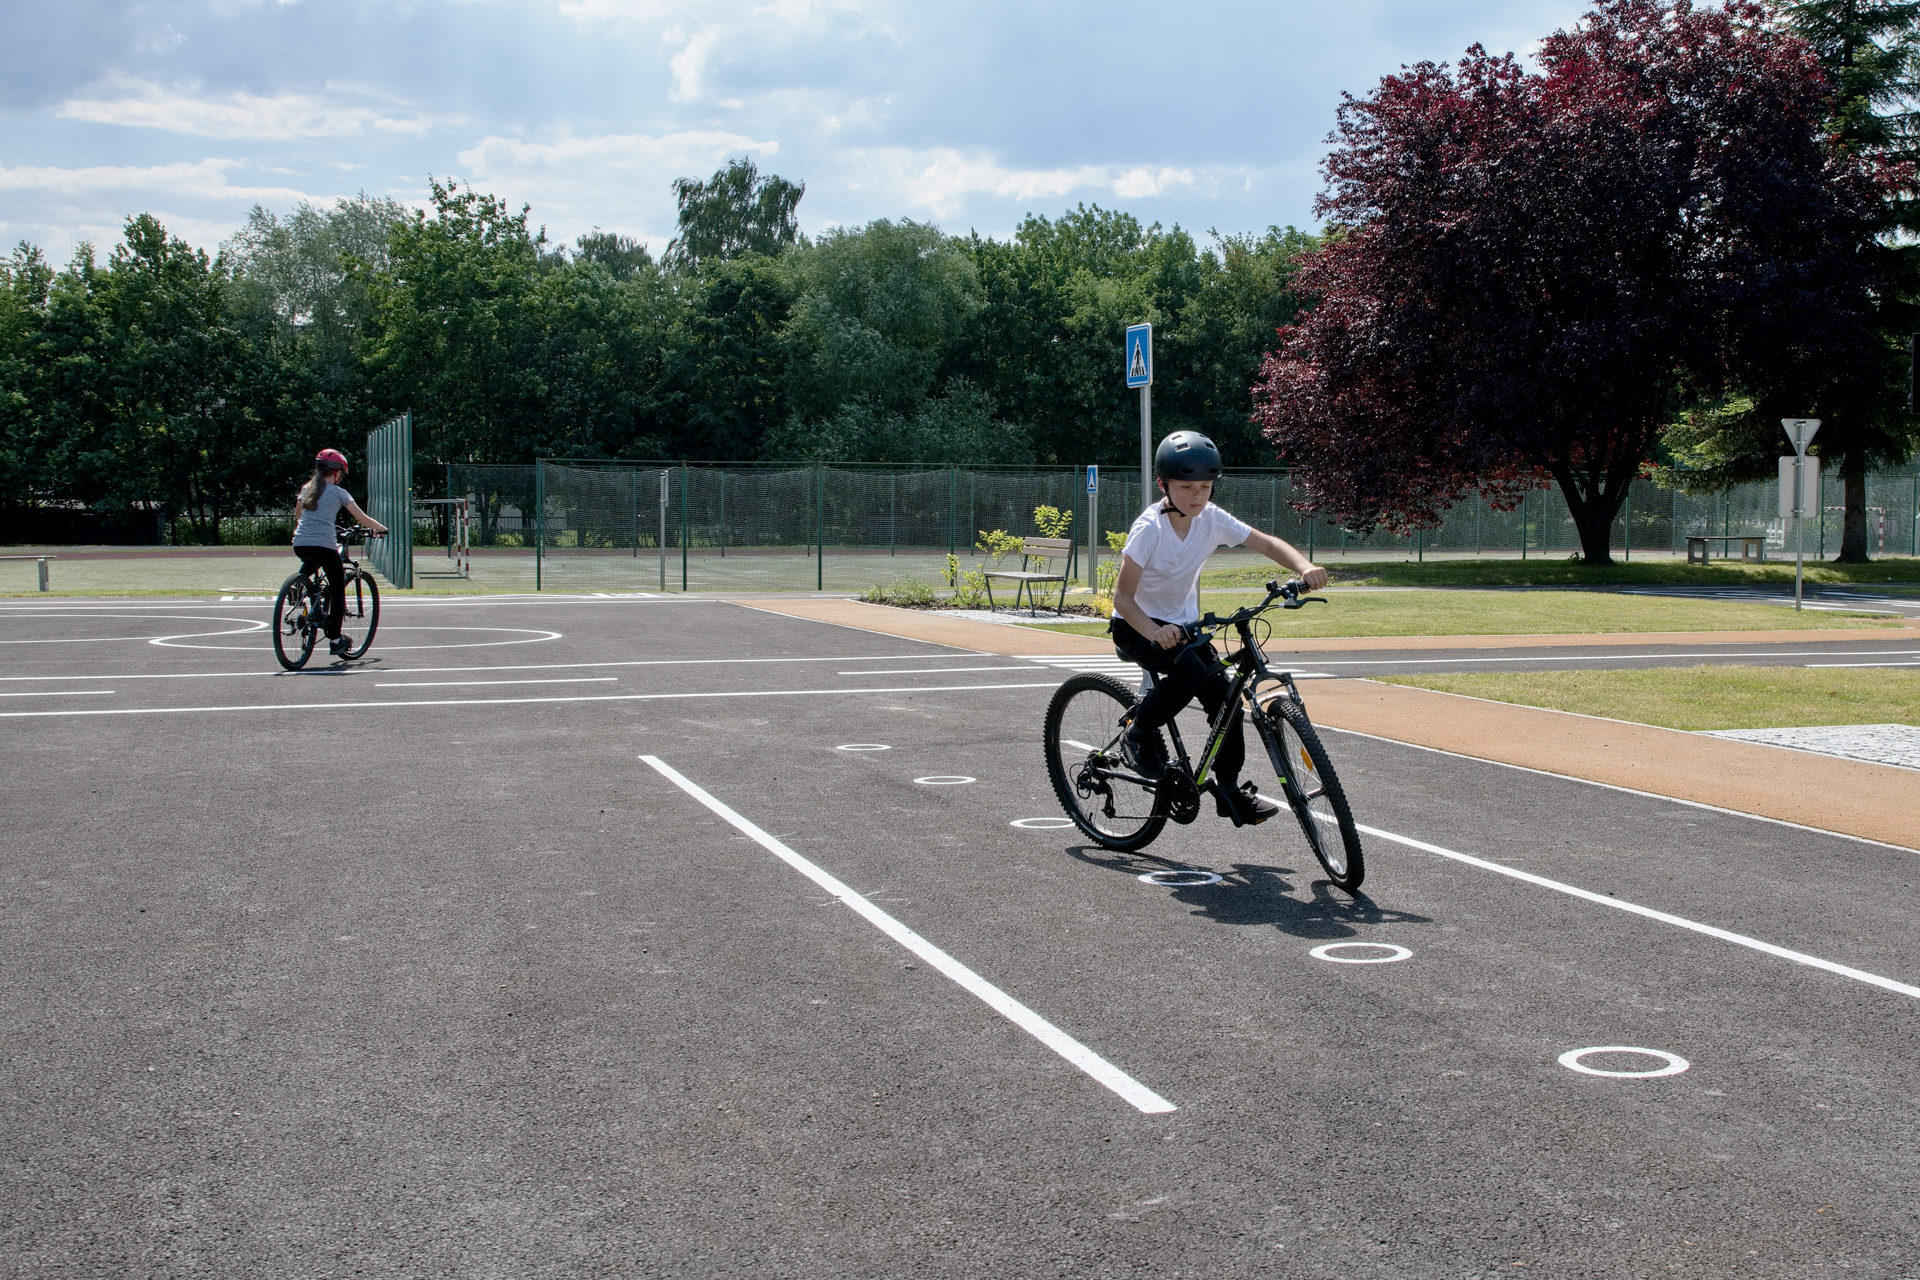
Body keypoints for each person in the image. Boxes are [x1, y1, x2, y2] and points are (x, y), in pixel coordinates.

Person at [1110, 431, 1330, 825]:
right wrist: (1154, 632)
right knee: (1190, 671)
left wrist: (1305, 567)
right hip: (1136, 625)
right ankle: (1137, 734)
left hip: (1183, 628)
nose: (1197, 496)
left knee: (1227, 701)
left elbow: (1267, 544)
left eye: (1205, 487)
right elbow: (1122, 598)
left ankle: (1228, 789)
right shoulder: (1150, 529)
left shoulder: (1210, 519)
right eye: (1186, 487)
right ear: (1163, 485)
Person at [290, 448, 388, 658]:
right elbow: (362, 518)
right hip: (324, 545)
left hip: (300, 543)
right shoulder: (338, 492)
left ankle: (298, 586)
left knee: (313, 560)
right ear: (336, 472)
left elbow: (298, 514)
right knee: (337, 589)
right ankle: (335, 639)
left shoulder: (307, 489)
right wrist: (382, 529)